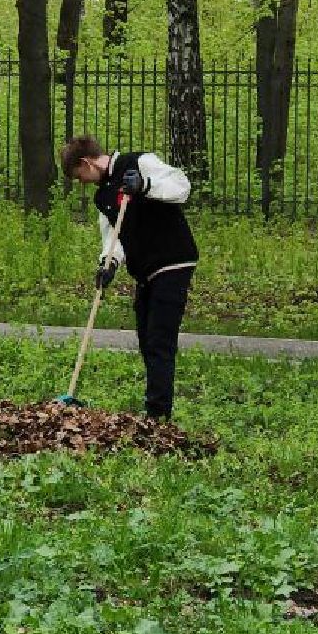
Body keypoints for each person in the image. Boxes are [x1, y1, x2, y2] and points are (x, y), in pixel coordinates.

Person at [60, 135, 198, 420]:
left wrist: (145, 186)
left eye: (79, 176)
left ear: (86, 163)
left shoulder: (139, 163)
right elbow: (113, 236)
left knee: (160, 339)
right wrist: (108, 264)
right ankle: (155, 406)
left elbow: (181, 187)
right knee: (146, 338)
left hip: (173, 260)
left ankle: (157, 416)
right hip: (146, 270)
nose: (81, 183)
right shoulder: (103, 196)